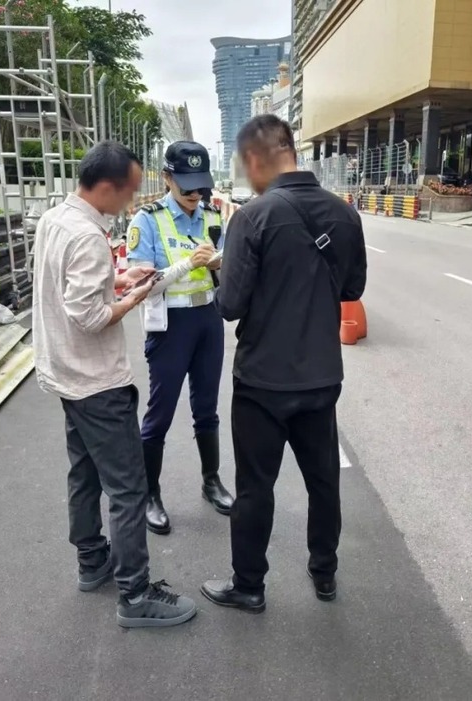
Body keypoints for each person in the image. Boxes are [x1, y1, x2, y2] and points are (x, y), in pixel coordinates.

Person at [200, 114, 367, 613]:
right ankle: (325, 574)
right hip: (321, 378)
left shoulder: (251, 218)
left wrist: (222, 272)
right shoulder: (344, 215)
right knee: (323, 482)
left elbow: (230, 306)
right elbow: (352, 290)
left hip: (262, 384)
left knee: (256, 488)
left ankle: (249, 585)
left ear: (254, 159)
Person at [32, 140, 196, 628]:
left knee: (84, 474)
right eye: (127, 191)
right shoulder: (86, 236)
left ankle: (92, 560)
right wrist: (133, 297)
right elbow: (88, 316)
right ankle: (135, 593)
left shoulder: (55, 220)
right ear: (106, 186)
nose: (131, 201)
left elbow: (70, 291)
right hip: (97, 381)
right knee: (128, 489)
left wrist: (119, 278)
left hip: (65, 376)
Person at [125, 141, 233, 536]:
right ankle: (150, 493)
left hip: (207, 320)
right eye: (186, 184)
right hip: (169, 326)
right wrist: (188, 263)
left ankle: (211, 481)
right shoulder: (147, 221)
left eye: (201, 185)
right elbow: (140, 287)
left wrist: (220, 261)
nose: (194, 194)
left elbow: (226, 269)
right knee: (160, 413)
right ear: (166, 178)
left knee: (207, 407)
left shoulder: (211, 215)